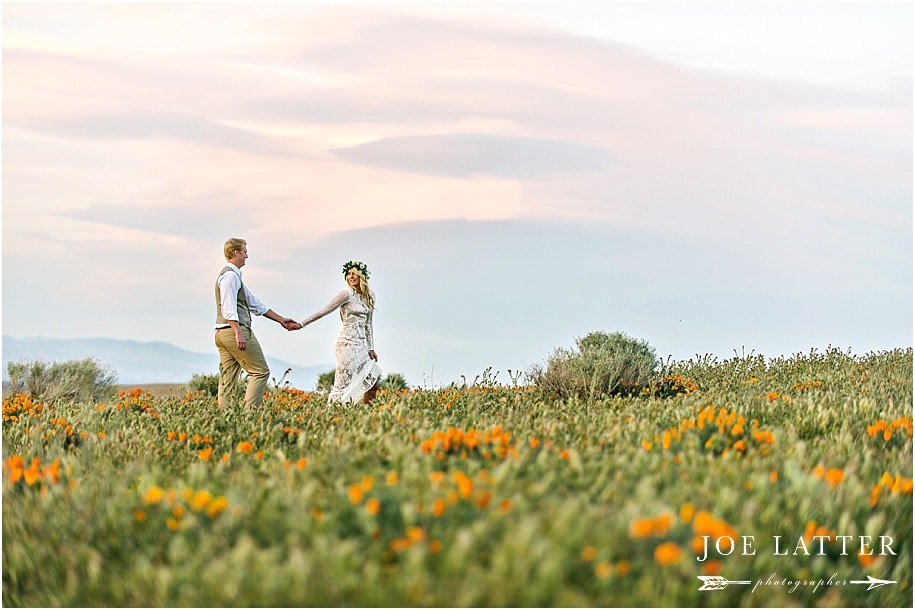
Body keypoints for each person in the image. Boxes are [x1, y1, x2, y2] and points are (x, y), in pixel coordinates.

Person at [214, 237, 301, 409]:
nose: (247, 256)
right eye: (245, 252)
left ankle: (225, 420)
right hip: (233, 331)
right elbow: (228, 307)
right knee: (260, 372)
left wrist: (281, 320)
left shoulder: (234, 277)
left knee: (227, 378)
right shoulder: (230, 277)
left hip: (221, 333)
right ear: (235, 253)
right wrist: (238, 332)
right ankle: (250, 416)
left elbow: (255, 303)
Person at [299, 260, 381, 404]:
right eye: (349, 274)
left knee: (371, 383)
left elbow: (369, 324)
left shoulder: (370, 296)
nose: (351, 277)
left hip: (362, 346)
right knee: (341, 385)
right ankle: (332, 414)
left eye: (354, 274)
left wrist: (371, 347)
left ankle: (369, 414)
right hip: (346, 345)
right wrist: (302, 323)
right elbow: (324, 311)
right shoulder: (346, 294)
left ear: (362, 277)